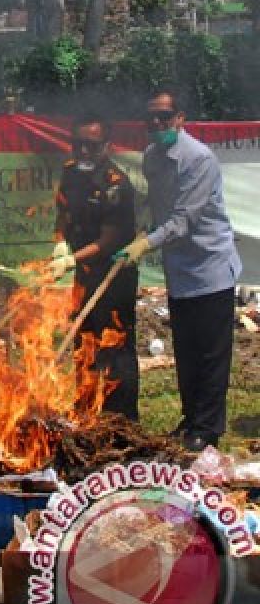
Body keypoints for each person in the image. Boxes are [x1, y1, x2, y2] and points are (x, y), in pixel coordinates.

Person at [115, 90, 242, 451]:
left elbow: (184, 219)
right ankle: (191, 421)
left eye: (165, 117)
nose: (157, 124)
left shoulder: (199, 158)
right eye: (151, 118)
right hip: (179, 268)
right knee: (186, 350)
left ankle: (208, 429)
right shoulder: (153, 155)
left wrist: (145, 243)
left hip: (210, 266)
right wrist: (141, 225)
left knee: (211, 353)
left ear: (180, 118)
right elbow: (157, 204)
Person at [48, 113, 139, 420]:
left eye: (92, 145)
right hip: (85, 274)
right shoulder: (70, 172)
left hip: (114, 274)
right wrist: (60, 242)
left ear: (106, 146)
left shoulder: (116, 185)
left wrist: (72, 258)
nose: (84, 152)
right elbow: (62, 211)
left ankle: (120, 418)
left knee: (114, 344)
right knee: (83, 339)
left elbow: (108, 240)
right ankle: (86, 407)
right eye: (78, 145)